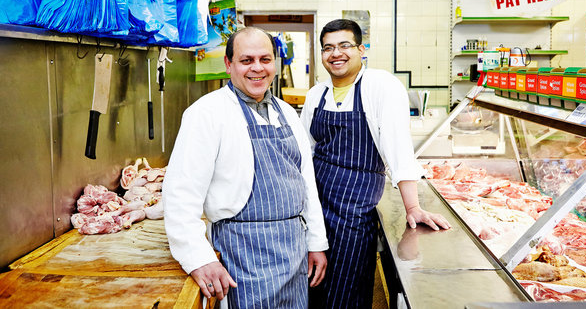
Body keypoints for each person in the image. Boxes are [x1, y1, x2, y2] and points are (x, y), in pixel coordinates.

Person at [164, 27, 328, 308]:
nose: (257, 68)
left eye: (265, 59)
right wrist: (198, 258)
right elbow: (181, 194)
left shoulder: (287, 113)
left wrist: (316, 241)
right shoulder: (206, 113)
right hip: (242, 254)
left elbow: (306, 185)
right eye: (246, 60)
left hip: (294, 250)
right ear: (229, 65)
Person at [301, 19, 451, 309]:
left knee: (346, 291)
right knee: (313, 285)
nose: (336, 54)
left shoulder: (380, 85)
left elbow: (398, 148)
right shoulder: (315, 95)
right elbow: (305, 153)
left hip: (354, 211)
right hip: (315, 206)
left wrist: (413, 207)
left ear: (361, 48)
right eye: (328, 48)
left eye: (345, 45)